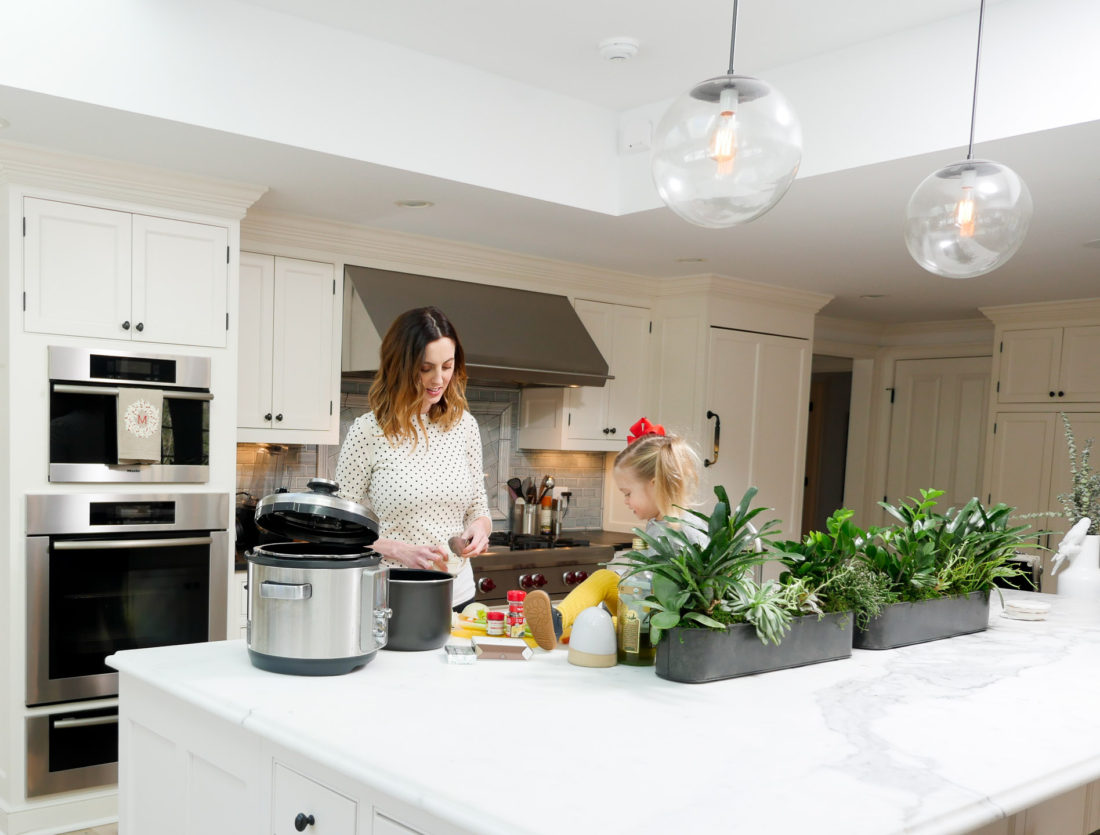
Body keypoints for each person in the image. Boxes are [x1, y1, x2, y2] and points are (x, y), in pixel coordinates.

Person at [335, 306, 491, 608]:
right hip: (394, 594)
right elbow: (340, 529)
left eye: (447, 366)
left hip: (458, 593)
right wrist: (398, 550)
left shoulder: (465, 426)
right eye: (425, 368)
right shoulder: (369, 431)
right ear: (400, 367)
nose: (438, 380)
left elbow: (478, 507)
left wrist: (480, 529)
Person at [525, 418, 708, 650]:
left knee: (596, 624)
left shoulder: (686, 532)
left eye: (628, 493)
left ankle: (574, 627)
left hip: (661, 624)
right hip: (640, 608)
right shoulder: (657, 523)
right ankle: (558, 620)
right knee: (606, 579)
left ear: (654, 485)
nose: (626, 502)